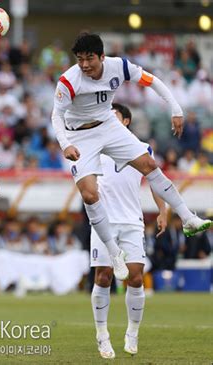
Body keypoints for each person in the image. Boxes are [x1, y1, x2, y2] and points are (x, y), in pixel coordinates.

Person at [51, 33, 211, 281]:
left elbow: (152, 81)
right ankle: (114, 253)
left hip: (107, 124)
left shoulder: (119, 67)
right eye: (80, 59)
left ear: (102, 57)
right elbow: (56, 116)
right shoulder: (69, 81)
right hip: (79, 136)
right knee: (90, 194)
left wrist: (176, 108)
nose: (84, 65)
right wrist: (65, 144)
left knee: (149, 163)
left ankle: (188, 218)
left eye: (89, 58)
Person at [90, 103, 167, 359]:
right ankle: (102, 335)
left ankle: (132, 332)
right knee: (103, 277)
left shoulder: (141, 148)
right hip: (104, 222)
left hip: (132, 221)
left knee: (135, 277)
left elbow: (156, 180)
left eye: (113, 116)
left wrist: (162, 211)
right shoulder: (94, 146)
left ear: (125, 121)